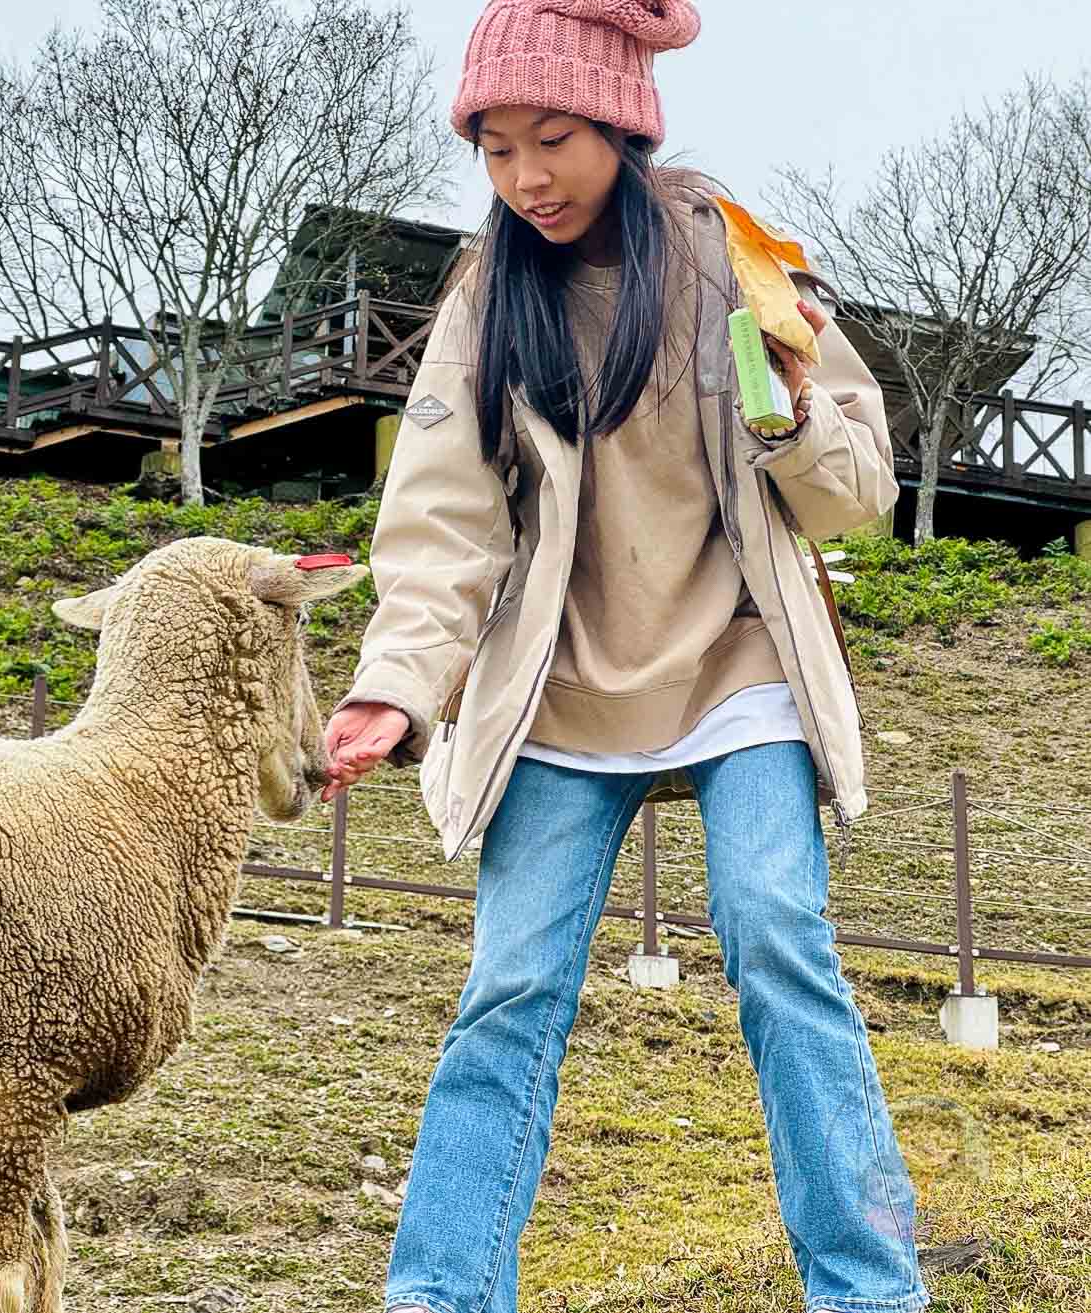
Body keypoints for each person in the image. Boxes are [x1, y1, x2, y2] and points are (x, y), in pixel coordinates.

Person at [320, 2, 930, 1311]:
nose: (524, 177)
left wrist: (792, 413)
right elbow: (440, 517)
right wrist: (392, 683)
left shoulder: (731, 255)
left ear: (622, 123)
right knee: (512, 983)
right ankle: (438, 1293)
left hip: (735, 657)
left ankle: (870, 1288)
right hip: (557, 682)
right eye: (492, 149)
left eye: (551, 139)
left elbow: (854, 498)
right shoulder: (488, 294)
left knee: (775, 933)